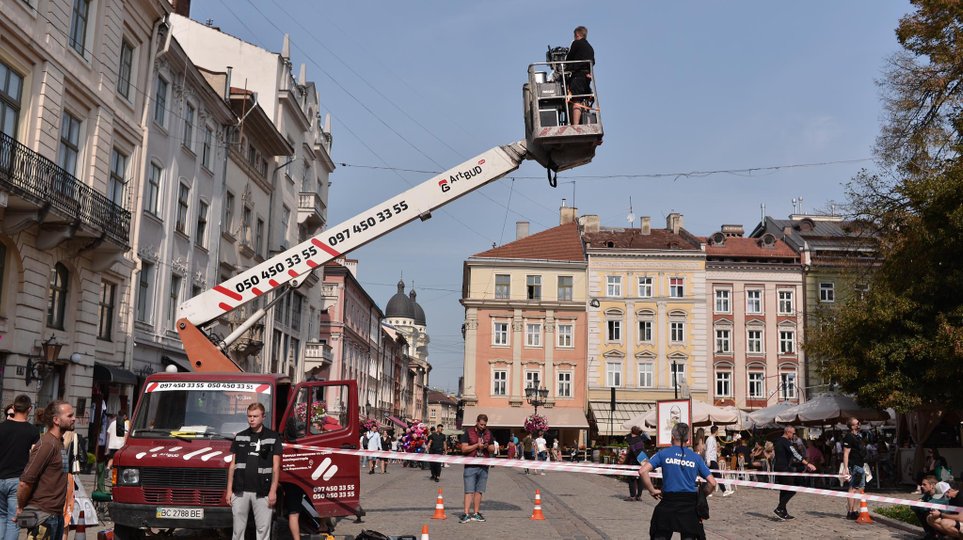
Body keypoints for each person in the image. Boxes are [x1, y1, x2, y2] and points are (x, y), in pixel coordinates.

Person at [639, 422, 717, 540]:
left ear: (672, 437)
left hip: (669, 502)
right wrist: (701, 496)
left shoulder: (663, 453)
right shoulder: (696, 458)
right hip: (689, 505)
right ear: (688, 439)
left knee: (660, 535)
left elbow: (643, 471)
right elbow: (712, 483)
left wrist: (652, 490)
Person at [16, 400, 76, 540]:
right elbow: (25, 482)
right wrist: (20, 507)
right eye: (69, 415)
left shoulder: (58, 442)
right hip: (43, 517)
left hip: (55, 516)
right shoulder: (46, 444)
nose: (74, 418)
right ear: (56, 420)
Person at [226, 403, 281, 540]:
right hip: (240, 491)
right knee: (237, 531)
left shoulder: (273, 437)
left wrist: (273, 490)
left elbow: (276, 467)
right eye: (249, 416)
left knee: (263, 530)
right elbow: (232, 465)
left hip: (263, 491)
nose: (252, 419)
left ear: (263, 417)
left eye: (255, 416)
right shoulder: (239, 437)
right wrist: (229, 491)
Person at [0, 395, 38, 540]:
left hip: (0, 477)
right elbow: (34, 458)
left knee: (1, 517)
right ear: (29, 409)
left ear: (14, 408)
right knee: (13, 520)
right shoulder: (32, 431)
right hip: (17, 480)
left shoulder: (1, 427)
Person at [772, 425, 817, 520]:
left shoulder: (777, 441)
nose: (793, 435)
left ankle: (783, 512)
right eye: (793, 433)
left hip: (778, 467)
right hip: (784, 468)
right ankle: (779, 508)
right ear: (788, 432)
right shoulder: (786, 442)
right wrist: (808, 464)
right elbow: (795, 454)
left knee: (784, 490)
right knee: (792, 489)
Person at [458, 414, 495, 524]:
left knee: (479, 491)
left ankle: (476, 513)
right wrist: (476, 446)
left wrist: (487, 446)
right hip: (470, 465)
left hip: (483, 465)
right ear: (477, 422)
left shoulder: (488, 433)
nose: (483, 426)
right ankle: (465, 514)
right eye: (481, 424)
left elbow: (493, 449)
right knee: (469, 490)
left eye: (484, 424)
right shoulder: (468, 432)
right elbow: (464, 449)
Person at [564, 25, 595, 126]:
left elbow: (569, 59)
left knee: (576, 99)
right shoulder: (590, 47)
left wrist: (566, 67)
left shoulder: (576, 43)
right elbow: (593, 62)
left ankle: (576, 125)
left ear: (577, 35)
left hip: (578, 76)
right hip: (586, 77)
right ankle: (583, 122)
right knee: (582, 99)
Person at [842, 417, 867, 520]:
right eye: (857, 423)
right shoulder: (849, 437)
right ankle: (851, 511)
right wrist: (845, 468)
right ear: (852, 426)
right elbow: (846, 453)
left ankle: (854, 510)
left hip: (860, 465)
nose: (859, 425)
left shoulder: (858, 436)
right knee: (853, 488)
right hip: (855, 465)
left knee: (860, 488)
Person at [704, 426, 730, 498]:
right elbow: (708, 450)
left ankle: (708, 492)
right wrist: (708, 460)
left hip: (712, 459)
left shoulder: (712, 439)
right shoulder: (711, 439)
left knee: (710, 477)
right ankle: (724, 490)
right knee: (717, 475)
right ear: (716, 431)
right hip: (711, 460)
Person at [625, 426, 648, 501]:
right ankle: (639, 495)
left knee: (631, 479)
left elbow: (627, 439)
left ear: (632, 431)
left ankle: (632, 496)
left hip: (633, 461)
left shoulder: (631, 440)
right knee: (640, 478)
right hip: (641, 460)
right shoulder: (641, 439)